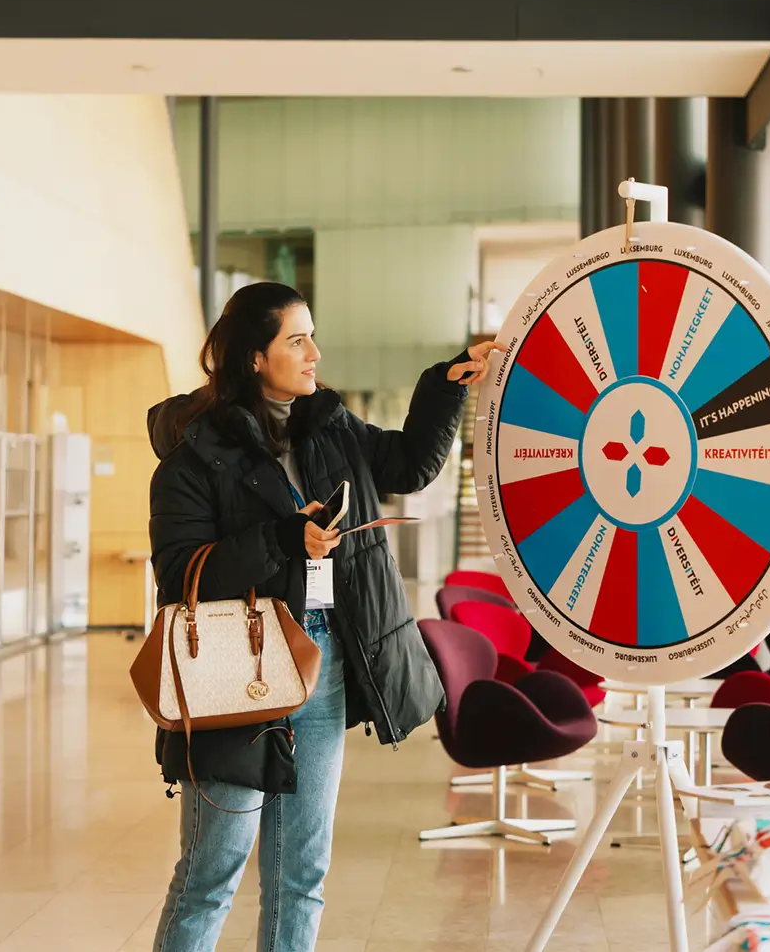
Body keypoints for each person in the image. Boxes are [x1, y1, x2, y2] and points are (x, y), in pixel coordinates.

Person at [145, 280, 503, 952]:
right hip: (235, 673)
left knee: (302, 872)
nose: (315, 353)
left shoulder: (328, 425)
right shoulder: (193, 456)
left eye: (313, 335)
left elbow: (409, 462)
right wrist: (285, 538)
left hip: (324, 660)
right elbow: (181, 575)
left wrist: (448, 383)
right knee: (212, 872)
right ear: (255, 356)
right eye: (297, 339)